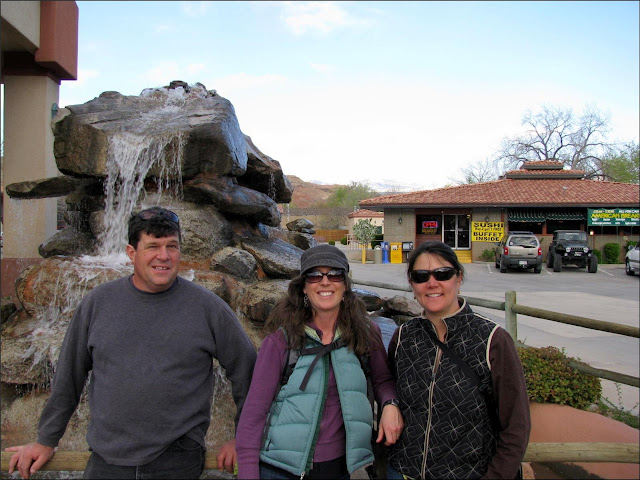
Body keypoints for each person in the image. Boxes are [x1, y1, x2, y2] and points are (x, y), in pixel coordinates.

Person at [5, 206, 257, 479]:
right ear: (131, 253)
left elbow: (248, 371)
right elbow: (69, 376)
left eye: (172, 246)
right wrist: (46, 440)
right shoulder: (97, 304)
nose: (164, 256)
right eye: (153, 247)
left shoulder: (208, 308)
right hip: (107, 459)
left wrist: (243, 438)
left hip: (177, 459)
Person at [236, 244, 404, 479]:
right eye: (315, 275)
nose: (325, 282)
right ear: (304, 287)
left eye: (334, 274)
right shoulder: (280, 341)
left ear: (345, 285)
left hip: (339, 469)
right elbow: (254, 412)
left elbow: (382, 380)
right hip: (279, 469)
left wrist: (390, 404)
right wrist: (247, 471)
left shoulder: (366, 333)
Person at [387, 241, 530, 479]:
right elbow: (387, 385)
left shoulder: (492, 340)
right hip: (402, 471)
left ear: (459, 278)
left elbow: (516, 425)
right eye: (421, 276)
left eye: (443, 274)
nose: (432, 283)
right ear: (412, 284)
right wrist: (389, 404)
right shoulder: (403, 337)